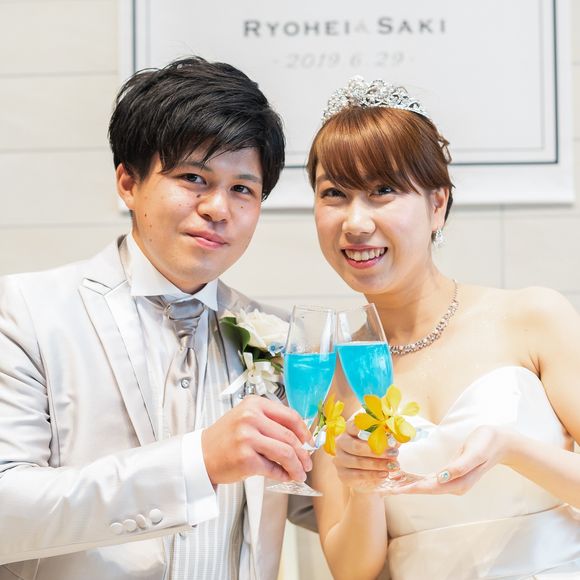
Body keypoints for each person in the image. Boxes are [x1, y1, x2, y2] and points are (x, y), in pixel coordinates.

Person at [0, 56, 313, 580]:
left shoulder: (281, 337)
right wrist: (196, 463)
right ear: (128, 182)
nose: (218, 208)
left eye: (242, 188)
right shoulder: (26, 312)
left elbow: (311, 498)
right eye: (193, 178)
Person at [307, 76, 580, 579]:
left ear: (437, 204)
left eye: (383, 190)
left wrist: (512, 448)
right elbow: (350, 569)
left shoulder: (532, 317)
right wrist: (365, 487)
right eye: (334, 194)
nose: (355, 222)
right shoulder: (332, 377)